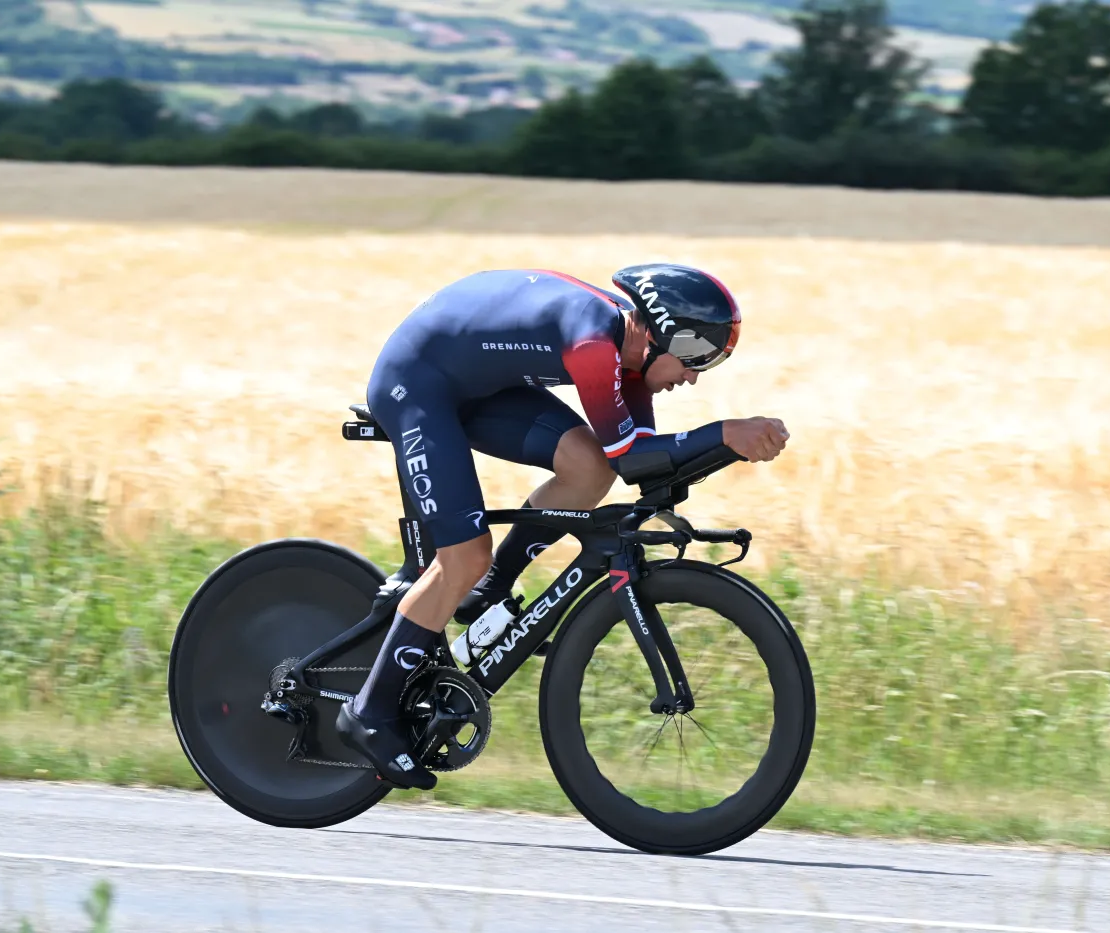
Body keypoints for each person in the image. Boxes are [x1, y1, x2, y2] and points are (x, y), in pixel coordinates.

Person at [337, 263, 789, 788]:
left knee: (589, 466)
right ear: (659, 330)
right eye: (694, 357)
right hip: (417, 384)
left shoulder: (632, 358)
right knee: (463, 555)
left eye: (707, 365)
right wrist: (724, 433)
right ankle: (369, 712)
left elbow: (636, 463)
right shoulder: (595, 342)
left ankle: (487, 588)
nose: (692, 376)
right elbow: (635, 457)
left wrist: (723, 449)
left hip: (477, 383)